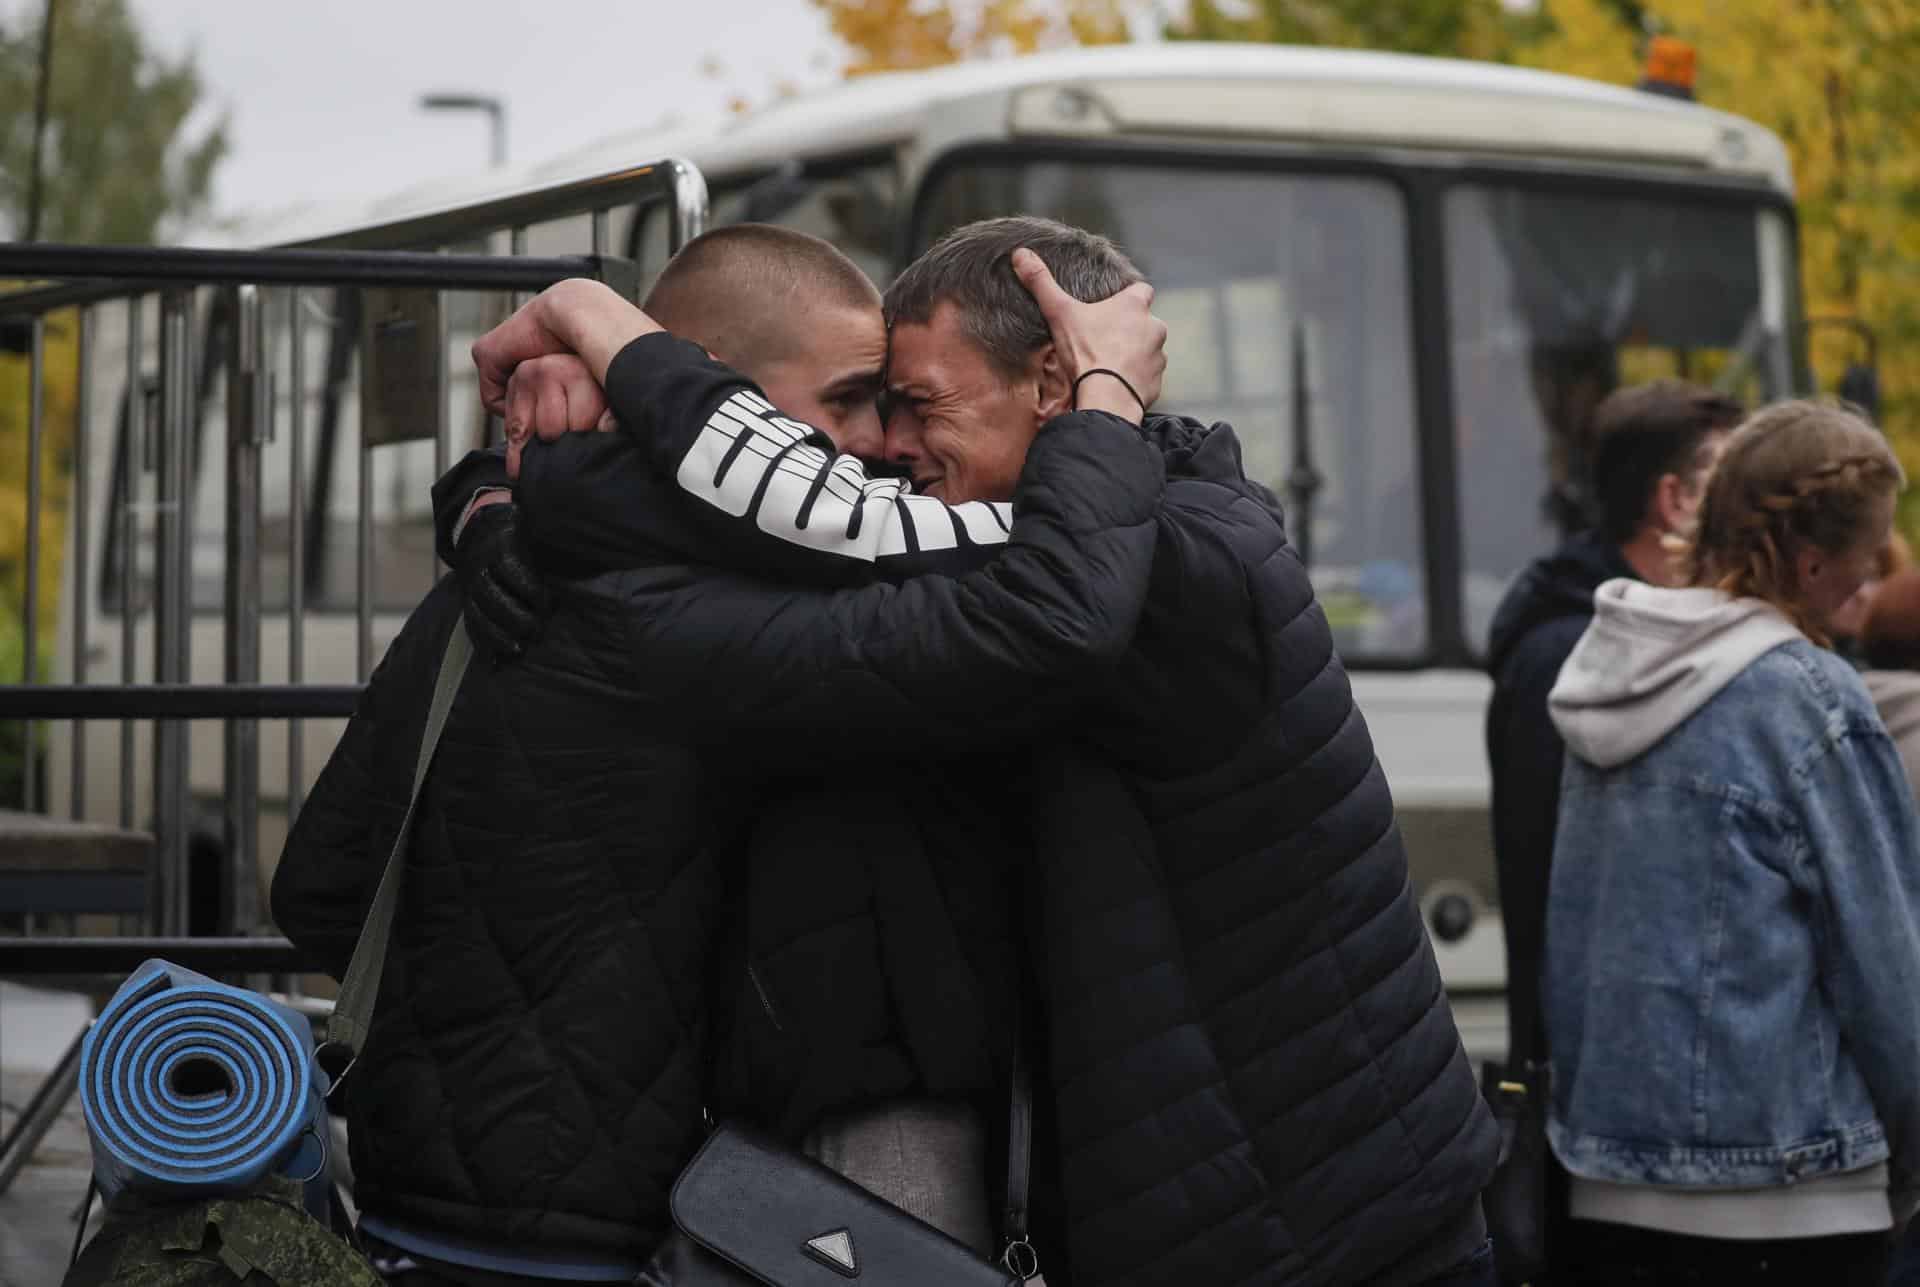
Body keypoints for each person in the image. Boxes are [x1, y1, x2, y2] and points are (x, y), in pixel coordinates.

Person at [468, 214, 1500, 1287]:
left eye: (918, 404)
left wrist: (588, 353)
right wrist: (495, 489)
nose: (888, 448)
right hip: (1248, 1208)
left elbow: (830, 518)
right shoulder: (1105, 525)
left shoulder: (1171, 564)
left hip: (1334, 1237)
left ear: (1055, 381)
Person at [270, 229, 1170, 1284]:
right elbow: (1043, 601)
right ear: (705, 401)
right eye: (845, 400)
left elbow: (319, 887)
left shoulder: (499, 573)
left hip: (410, 1191)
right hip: (597, 1223)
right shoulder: (708, 613)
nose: (876, 442)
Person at [1543, 399, 1920, 1285]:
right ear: (1814, 556)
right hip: (1789, 1187)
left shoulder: (1606, 674)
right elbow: (1886, 973)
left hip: (1605, 1178)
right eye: (1868, 556)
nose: (1869, 584)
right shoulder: (1809, 697)